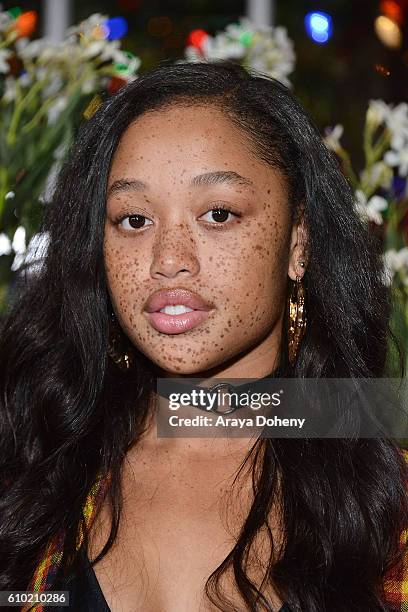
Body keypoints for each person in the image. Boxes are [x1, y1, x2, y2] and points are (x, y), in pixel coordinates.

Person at [0, 59, 407, 612]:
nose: (168, 260)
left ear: (299, 241)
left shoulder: (388, 503)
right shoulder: (32, 464)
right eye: (134, 220)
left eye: (218, 214)